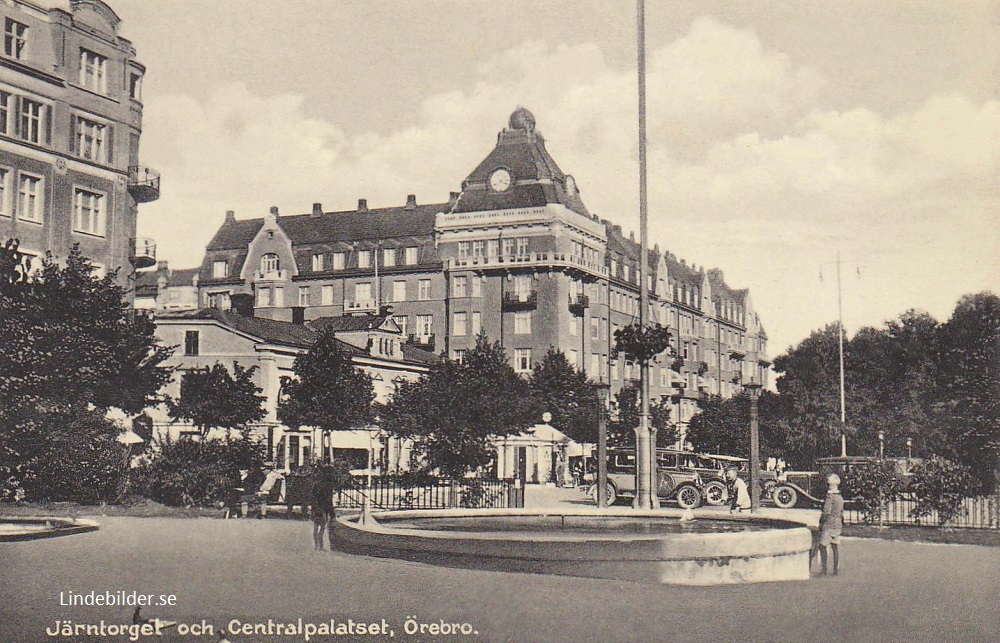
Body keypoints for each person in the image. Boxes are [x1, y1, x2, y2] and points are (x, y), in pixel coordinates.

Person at [810, 473, 845, 575]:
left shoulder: (830, 497)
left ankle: (824, 569)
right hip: (838, 524)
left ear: (830, 485)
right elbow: (842, 512)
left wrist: (821, 522)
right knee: (835, 546)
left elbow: (826, 511)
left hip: (829, 524)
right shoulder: (840, 497)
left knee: (822, 546)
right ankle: (836, 569)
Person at [310, 465, 336, 551]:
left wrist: (314, 506)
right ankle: (320, 546)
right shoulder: (328, 485)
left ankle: (316, 545)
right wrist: (332, 514)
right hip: (323, 508)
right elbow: (329, 500)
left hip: (316, 506)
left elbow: (313, 496)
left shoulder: (317, 483)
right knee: (322, 527)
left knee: (316, 526)